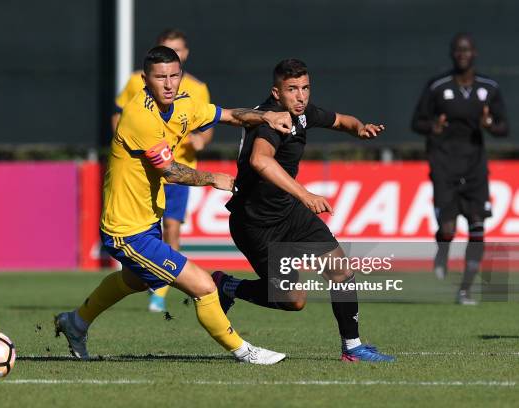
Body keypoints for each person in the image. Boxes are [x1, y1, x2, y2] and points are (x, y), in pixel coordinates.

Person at [55, 46, 293, 364]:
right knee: (204, 286)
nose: (168, 84)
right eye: (160, 77)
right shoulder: (139, 116)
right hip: (125, 230)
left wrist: (266, 116)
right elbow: (170, 171)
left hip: (147, 221)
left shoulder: (183, 105)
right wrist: (213, 178)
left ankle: (75, 322)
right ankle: (244, 351)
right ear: (145, 80)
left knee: (135, 280)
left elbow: (230, 116)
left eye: (173, 76)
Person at [214, 59, 395, 362]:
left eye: (305, 88)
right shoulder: (270, 123)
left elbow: (340, 120)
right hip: (256, 223)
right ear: (276, 93)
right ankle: (227, 285)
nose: (301, 96)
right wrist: (306, 195)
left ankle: (353, 348)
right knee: (293, 301)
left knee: (341, 269)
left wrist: (359, 129)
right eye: (292, 89)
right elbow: (261, 161)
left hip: (288, 212)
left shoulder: (303, 113)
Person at [112, 29, 213, 313]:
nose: (175, 54)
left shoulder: (197, 88)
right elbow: (119, 115)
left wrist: (201, 140)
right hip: (146, 173)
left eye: (179, 50)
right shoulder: (136, 82)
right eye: (169, 49)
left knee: (172, 229)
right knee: (150, 236)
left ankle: (161, 290)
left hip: (181, 169)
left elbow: (208, 126)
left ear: (185, 54)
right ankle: (157, 281)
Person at [411, 33, 509, 305]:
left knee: (478, 228)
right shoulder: (438, 86)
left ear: (474, 53)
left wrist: (490, 125)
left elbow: (504, 128)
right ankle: (443, 249)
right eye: (458, 50)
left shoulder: (489, 87)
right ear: (452, 54)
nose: (462, 54)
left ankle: (465, 289)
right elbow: (416, 122)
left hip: (475, 167)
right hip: (444, 165)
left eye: (467, 50)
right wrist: (434, 127)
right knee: (449, 227)